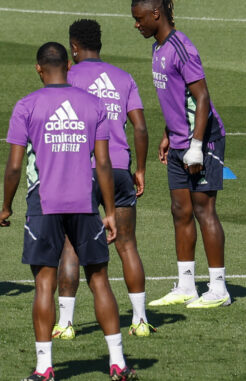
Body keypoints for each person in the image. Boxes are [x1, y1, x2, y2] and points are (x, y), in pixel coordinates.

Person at [0, 42, 137, 381]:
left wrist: (6, 205)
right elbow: (102, 163)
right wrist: (109, 210)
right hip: (85, 204)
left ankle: (45, 368)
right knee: (99, 280)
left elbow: (15, 167)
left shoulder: (27, 106)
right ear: (67, 67)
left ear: (39, 69)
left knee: (44, 283)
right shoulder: (93, 105)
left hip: (43, 205)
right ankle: (117, 362)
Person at [52, 19, 154, 341]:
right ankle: (139, 320)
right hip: (120, 170)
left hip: (81, 173)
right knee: (127, 244)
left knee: (70, 245)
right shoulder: (123, 78)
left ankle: (65, 324)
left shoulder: (68, 77)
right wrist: (140, 169)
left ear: (74, 47)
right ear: (101, 44)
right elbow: (139, 127)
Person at [131, 0, 230, 308]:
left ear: (156, 14)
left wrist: (197, 146)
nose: (137, 25)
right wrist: (166, 135)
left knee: (204, 210)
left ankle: (219, 289)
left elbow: (202, 98)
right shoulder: (157, 48)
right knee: (180, 210)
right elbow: (177, 97)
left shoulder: (181, 47)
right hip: (177, 141)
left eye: (140, 18)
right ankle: (187, 284)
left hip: (202, 141)